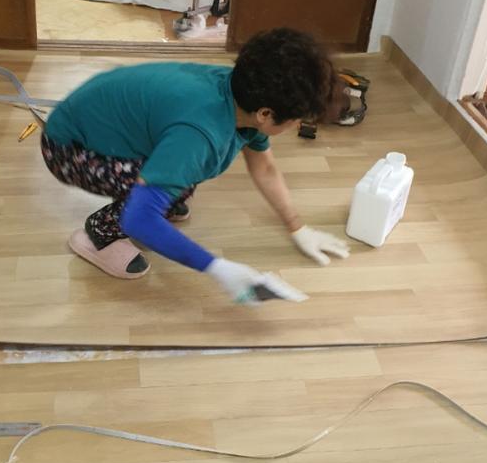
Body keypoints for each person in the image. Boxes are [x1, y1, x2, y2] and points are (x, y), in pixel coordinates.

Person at [41, 27, 349, 305]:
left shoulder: (242, 93)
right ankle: (98, 235)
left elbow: (265, 168)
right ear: (265, 114)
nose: (296, 126)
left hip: (106, 124)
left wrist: (297, 227)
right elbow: (139, 219)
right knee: (172, 184)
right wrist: (218, 268)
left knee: (179, 180)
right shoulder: (200, 135)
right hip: (69, 150)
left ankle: (163, 194)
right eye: (296, 120)